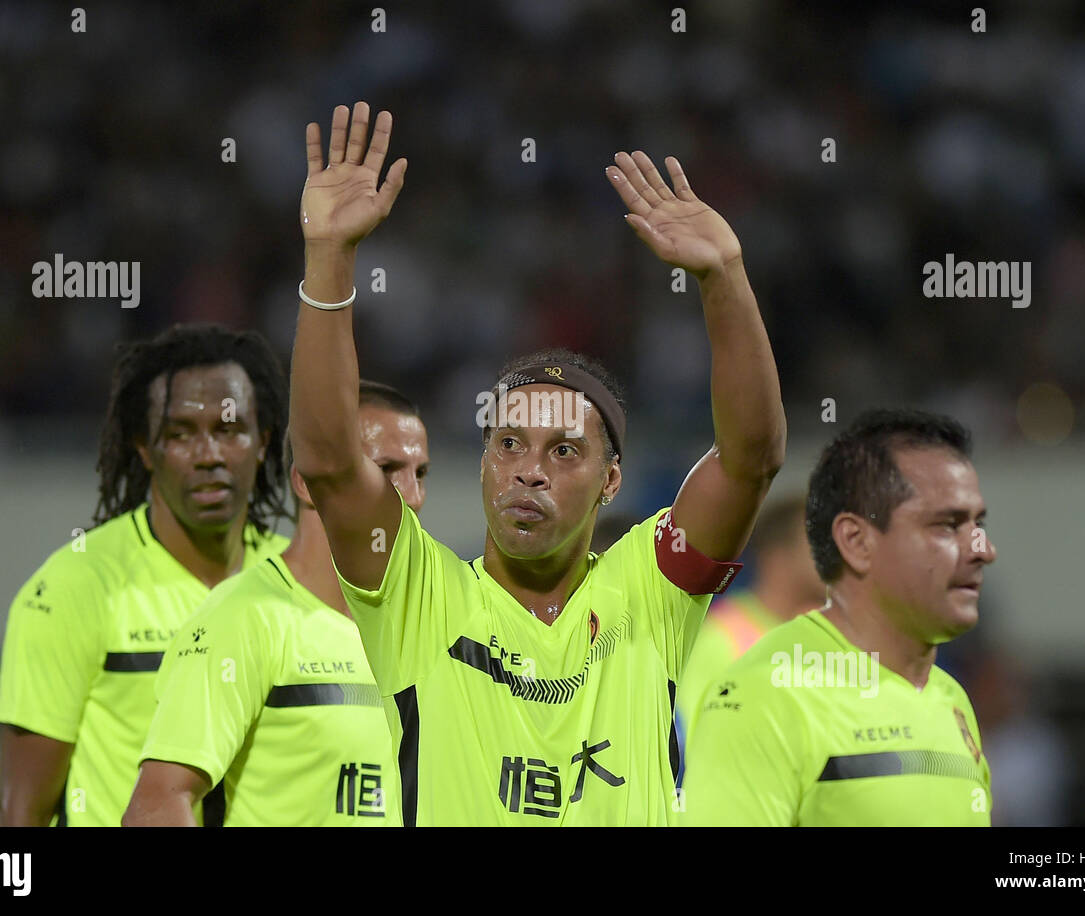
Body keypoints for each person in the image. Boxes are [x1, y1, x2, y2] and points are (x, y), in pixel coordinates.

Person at [288, 102, 786, 825]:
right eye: (509, 443)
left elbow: (752, 461)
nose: (529, 471)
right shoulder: (416, 592)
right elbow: (332, 460)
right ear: (486, 459)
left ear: (610, 482)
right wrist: (328, 258)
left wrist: (724, 280)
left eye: (563, 452)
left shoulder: (649, 588)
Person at [0, 324, 290, 826]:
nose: (210, 456)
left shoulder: (299, 580)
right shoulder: (73, 587)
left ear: (262, 442)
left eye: (229, 430)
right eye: (180, 434)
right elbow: (20, 812)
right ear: (145, 449)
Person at [123, 381, 429, 826]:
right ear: (306, 483)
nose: (414, 497)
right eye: (386, 469)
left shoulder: (425, 628)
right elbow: (154, 807)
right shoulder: (244, 617)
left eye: (421, 474)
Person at [680, 409, 997, 826]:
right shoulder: (762, 694)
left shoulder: (952, 699)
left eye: (978, 524)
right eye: (946, 525)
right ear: (856, 541)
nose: (982, 550)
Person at [676, 492, 826, 765]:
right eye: (819, 543)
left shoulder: (829, 635)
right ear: (778, 556)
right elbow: (698, 741)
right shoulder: (722, 635)